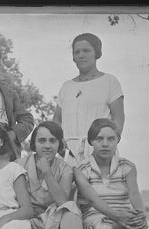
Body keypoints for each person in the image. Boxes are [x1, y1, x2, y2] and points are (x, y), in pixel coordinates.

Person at [15, 121, 121, 229]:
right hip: (25, 225)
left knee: (70, 206)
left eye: (52, 141)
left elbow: (62, 202)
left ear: (60, 144)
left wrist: (48, 173)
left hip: (53, 226)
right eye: (42, 141)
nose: (47, 145)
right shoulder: (19, 165)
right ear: (33, 144)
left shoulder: (65, 168)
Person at [53, 33, 125, 167]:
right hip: (69, 155)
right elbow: (57, 119)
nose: (81, 55)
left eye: (86, 50)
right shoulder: (66, 86)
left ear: (96, 53)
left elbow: (118, 119)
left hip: (99, 152)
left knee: (99, 187)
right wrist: (61, 145)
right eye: (77, 52)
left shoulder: (109, 81)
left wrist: (106, 145)